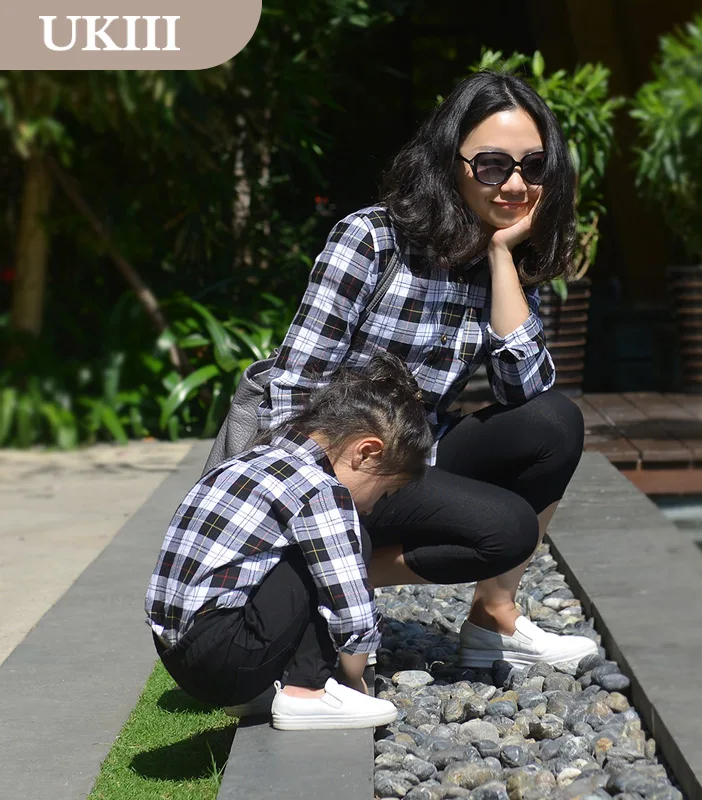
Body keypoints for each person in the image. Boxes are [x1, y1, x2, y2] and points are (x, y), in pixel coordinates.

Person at [258, 70, 598, 671]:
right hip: (343, 473)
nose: (515, 184)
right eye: (492, 165)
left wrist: (501, 259)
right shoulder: (372, 240)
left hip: (420, 458)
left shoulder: (503, 253)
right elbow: (292, 391)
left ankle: (494, 620)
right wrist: (311, 507)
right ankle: (322, 571)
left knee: (555, 422)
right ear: (449, 161)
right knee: (508, 528)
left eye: (534, 166)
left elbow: (526, 391)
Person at [145, 353, 432, 728]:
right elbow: (350, 605)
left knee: (301, 550)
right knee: (346, 543)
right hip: (222, 658)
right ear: (366, 452)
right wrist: (354, 677)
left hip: (173, 651)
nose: (374, 508)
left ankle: (261, 693)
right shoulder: (319, 489)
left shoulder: (254, 460)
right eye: (384, 493)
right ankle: (307, 692)